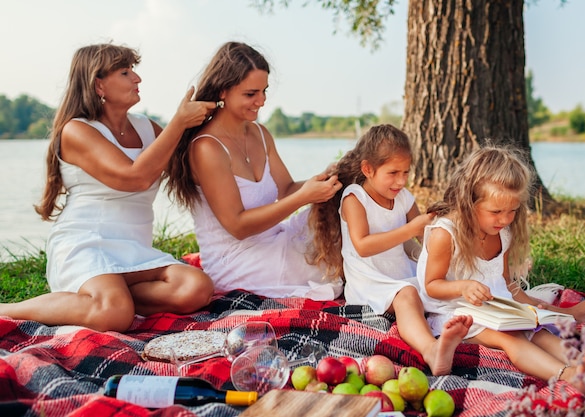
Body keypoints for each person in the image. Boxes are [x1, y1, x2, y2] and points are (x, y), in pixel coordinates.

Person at [0, 43, 217, 332]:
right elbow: (133, 178)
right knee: (113, 315)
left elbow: (186, 166)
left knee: (196, 288)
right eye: (125, 73)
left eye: (133, 71)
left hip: (134, 249)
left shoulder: (147, 128)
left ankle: (115, 298)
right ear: (98, 84)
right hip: (86, 244)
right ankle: (9, 309)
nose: (137, 79)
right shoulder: (77, 130)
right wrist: (178, 122)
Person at [415, 144, 585, 394]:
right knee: (510, 337)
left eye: (512, 211)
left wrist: (530, 308)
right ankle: (569, 376)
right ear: (469, 202)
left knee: (537, 330)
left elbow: (505, 283)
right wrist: (463, 286)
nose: (505, 219)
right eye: (496, 211)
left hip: (495, 307)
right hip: (455, 312)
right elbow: (431, 286)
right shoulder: (445, 234)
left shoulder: (503, 233)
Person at [165, 41, 343, 300]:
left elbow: (286, 190)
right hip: (237, 262)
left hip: (274, 240)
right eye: (251, 94)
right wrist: (305, 197)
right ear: (223, 91)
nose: (261, 101)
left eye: (264, 91)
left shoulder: (260, 133)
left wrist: (326, 179)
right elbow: (238, 226)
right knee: (333, 262)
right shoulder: (207, 148)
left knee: (345, 222)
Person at [307, 124, 473, 376]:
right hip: (368, 279)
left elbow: (423, 238)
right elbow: (363, 246)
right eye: (393, 172)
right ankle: (431, 350)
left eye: (406, 172)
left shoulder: (404, 197)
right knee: (407, 295)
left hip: (400, 271)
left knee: (441, 286)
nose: (401, 180)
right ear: (368, 169)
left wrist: (441, 231)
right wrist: (410, 229)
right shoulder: (355, 197)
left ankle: (464, 331)